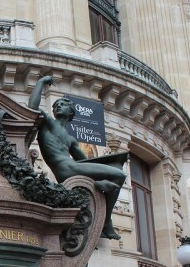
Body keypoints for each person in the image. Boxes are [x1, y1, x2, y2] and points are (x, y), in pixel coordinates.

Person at [28, 76, 127, 239]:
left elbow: (86, 162)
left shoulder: (71, 139)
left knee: (117, 168)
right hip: (65, 169)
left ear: (71, 112)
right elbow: (32, 108)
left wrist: (114, 160)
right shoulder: (48, 123)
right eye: (56, 105)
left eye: (63, 104)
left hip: (73, 168)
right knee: (119, 175)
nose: (58, 106)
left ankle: (96, 188)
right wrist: (40, 82)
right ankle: (106, 221)